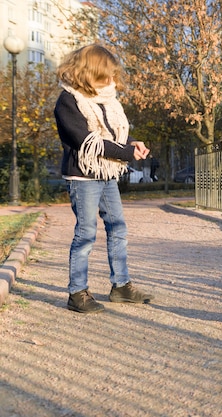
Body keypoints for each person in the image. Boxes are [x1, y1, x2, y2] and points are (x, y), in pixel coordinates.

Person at [54, 44, 154, 313]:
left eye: (112, 75)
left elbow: (113, 135)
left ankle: (120, 286)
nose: (111, 81)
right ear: (88, 74)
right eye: (105, 76)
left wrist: (134, 143)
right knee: (86, 234)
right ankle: (77, 292)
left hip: (106, 172)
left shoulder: (107, 99)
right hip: (83, 176)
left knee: (118, 227)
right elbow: (88, 141)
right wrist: (128, 152)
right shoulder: (68, 100)